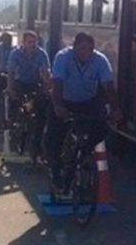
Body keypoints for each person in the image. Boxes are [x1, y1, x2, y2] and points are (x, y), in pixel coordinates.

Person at [45, 32, 121, 189]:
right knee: (54, 137)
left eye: (89, 49)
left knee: (104, 126)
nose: (86, 52)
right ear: (73, 48)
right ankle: (55, 170)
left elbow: (108, 87)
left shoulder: (100, 60)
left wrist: (115, 109)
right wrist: (59, 106)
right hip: (65, 99)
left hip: (87, 101)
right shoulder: (63, 57)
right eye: (81, 49)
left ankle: (85, 151)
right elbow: (57, 84)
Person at [7, 30, 50, 152]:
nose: (33, 45)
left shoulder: (41, 53)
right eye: (30, 42)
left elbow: (46, 72)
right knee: (14, 103)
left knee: (42, 109)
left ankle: (38, 142)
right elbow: (11, 73)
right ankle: (11, 126)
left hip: (35, 83)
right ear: (23, 43)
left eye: (35, 42)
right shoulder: (15, 54)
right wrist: (11, 89)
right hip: (20, 83)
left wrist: (48, 87)